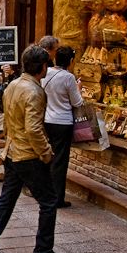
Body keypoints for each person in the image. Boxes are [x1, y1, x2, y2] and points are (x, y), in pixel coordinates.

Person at [0, 44, 69, 253]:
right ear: (42, 66)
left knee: (6, 200)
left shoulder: (13, 86)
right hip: (28, 156)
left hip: (11, 151)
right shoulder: (34, 91)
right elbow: (33, 129)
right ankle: (43, 249)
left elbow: (8, 120)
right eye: (47, 63)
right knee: (48, 201)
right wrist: (46, 153)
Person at [43, 45, 83, 210]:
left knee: (49, 157)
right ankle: (57, 198)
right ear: (71, 61)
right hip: (63, 123)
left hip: (47, 120)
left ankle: (46, 193)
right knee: (60, 161)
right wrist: (79, 89)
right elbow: (77, 102)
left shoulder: (46, 74)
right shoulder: (68, 78)